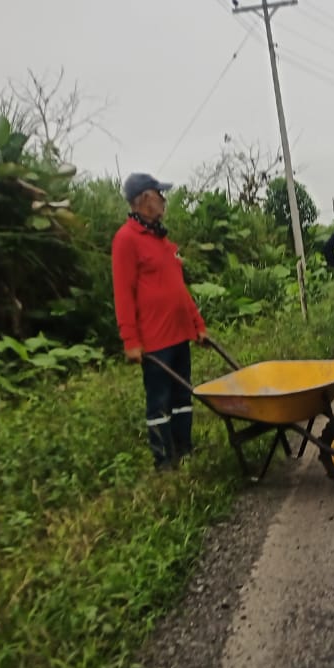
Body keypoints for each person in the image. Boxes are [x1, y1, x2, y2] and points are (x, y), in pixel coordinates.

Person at [112, 172, 208, 470]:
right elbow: (123, 293)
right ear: (145, 200)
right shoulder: (126, 240)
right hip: (154, 340)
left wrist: (198, 325)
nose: (164, 200)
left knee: (182, 396)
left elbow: (179, 290)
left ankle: (184, 449)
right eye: (159, 195)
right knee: (159, 401)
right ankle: (164, 460)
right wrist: (130, 340)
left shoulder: (161, 240)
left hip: (179, 334)